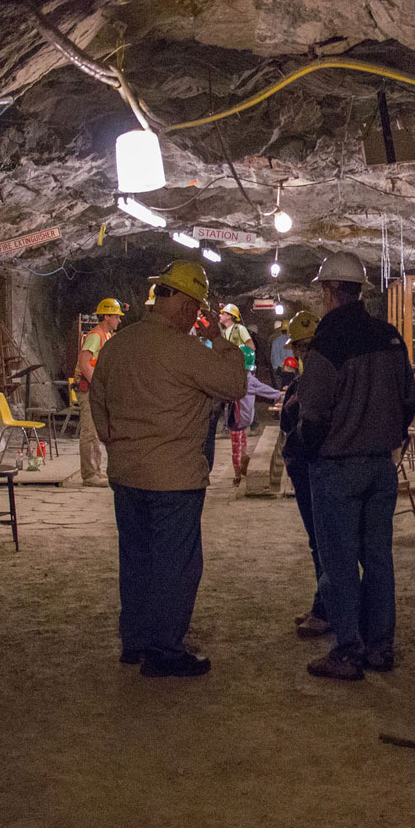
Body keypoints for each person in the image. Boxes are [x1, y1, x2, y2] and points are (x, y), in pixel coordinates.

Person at [90, 260, 246, 678]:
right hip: (174, 480)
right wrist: (219, 339)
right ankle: (163, 650)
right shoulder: (186, 351)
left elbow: (97, 399)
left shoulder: (117, 345)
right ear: (179, 303)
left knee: (137, 560)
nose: (196, 316)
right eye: (195, 308)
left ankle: (136, 641)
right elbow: (235, 385)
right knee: (175, 567)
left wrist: (114, 441)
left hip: (127, 476)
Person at [295, 252, 415, 681]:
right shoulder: (390, 338)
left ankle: (347, 651)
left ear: (329, 292)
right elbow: (408, 403)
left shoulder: (329, 342)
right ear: (359, 290)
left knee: (340, 563)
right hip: (380, 467)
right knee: (379, 558)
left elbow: (312, 409)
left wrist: (312, 445)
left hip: (337, 468)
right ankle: (381, 648)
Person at [273, 310, 328, 637]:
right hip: (310, 467)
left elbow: (309, 423)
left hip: (313, 467)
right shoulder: (309, 378)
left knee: (322, 541)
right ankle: (325, 603)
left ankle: (326, 610)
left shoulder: (314, 379)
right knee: (319, 541)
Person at [75, 298, 123, 487]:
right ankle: (89, 475)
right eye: (116, 317)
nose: (119, 320)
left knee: (96, 431)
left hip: (96, 390)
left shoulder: (106, 336)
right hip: (89, 390)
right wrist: (98, 386)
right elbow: (84, 362)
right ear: (106, 316)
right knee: (89, 432)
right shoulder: (96, 335)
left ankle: (96, 470)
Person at [229, 348, 284, 483]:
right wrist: (279, 394)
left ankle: (238, 472)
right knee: (241, 443)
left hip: (235, 418)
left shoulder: (234, 378)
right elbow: (264, 390)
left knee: (237, 445)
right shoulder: (250, 380)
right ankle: (241, 468)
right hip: (243, 418)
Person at [219, 303, 255, 370]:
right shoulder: (223, 331)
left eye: (223, 314)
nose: (220, 315)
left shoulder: (240, 329)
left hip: (238, 366)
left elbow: (251, 347)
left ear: (229, 316)